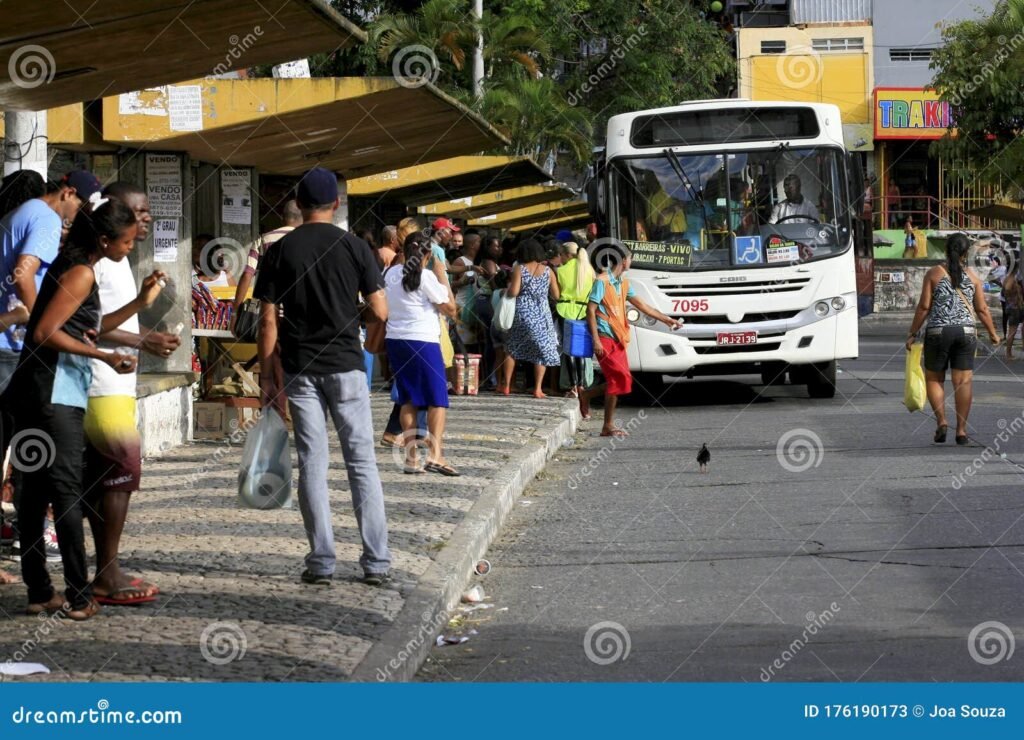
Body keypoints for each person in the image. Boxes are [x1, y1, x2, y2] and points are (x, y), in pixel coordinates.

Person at [7, 199, 155, 620]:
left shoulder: (70, 266)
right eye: (125, 242)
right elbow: (44, 331)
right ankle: (77, 595)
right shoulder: (82, 271)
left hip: (35, 392)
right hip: (55, 395)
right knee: (66, 491)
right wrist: (105, 357)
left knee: (33, 494)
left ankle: (40, 591)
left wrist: (139, 306)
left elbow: (77, 324)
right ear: (104, 240)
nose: (129, 248)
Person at [254, 166, 392, 587]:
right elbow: (381, 311)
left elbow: (266, 322)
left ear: (297, 203)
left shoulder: (279, 249)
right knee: (361, 463)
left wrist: (266, 377)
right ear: (336, 204)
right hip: (347, 366)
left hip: (301, 369)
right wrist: (361, 322)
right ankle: (376, 563)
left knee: (312, 462)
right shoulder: (355, 248)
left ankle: (322, 562)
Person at [84, 182, 180, 605]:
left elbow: (113, 318)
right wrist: (143, 340)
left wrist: (147, 337)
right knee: (121, 477)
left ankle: (107, 567)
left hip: (115, 383)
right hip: (100, 383)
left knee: (103, 481)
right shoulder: (100, 261)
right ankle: (106, 574)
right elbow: (93, 324)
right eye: (138, 211)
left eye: (147, 212)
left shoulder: (118, 258)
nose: (147, 219)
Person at [906, 233, 1001, 445]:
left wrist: (912, 333)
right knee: (963, 381)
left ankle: (941, 421)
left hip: (938, 332)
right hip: (966, 332)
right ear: (966, 253)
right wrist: (993, 334)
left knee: (934, 378)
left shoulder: (933, 274)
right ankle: (961, 430)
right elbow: (982, 309)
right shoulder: (974, 278)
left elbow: (923, 307)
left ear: (946, 250)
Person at [587, 245, 682, 437]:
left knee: (623, 380)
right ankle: (607, 424)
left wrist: (667, 320)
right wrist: (596, 340)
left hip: (619, 337)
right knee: (619, 378)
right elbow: (590, 310)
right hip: (604, 336)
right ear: (623, 260)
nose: (631, 261)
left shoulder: (623, 282)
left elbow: (643, 306)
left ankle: (587, 397)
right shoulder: (601, 281)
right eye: (630, 258)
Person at [385, 233, 459, 476]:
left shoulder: (390, 274)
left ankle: (411, 458)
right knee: (437, 399)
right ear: (428, 255)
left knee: (408, 398)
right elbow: (451, 310)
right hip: (423, 341)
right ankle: (436, 455)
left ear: (404, 250)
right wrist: (442, 276)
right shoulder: (426, 276)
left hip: (396, 341)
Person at [503, 238, 561, 398]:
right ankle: (537, 388)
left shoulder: (519, 269)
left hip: (523, 314)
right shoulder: (548, 271)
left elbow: (513, 292)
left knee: (511, 349)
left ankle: (507, 386)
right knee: (541, 351)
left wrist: (506, 291)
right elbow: (556, 295)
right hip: (542, 315)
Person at [555, 241, 596, 418]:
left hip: (565, 311)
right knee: (581, 351)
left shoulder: (561, 270)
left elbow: (556, 294)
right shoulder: (589, 270)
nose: (560, 259)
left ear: (567, 255)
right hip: (584, 312)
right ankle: (582, 385)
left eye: (561, 255)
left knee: (568, 350)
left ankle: (572, 386)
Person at [452, 232, 481, 348]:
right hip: (463, 307)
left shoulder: (480, 261)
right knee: (464, 344)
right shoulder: (460, 262)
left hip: (475, 308)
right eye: (480, 242)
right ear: (473, 245)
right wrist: (462, 282)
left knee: (475, 344)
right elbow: (450, 284)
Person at [1002, 268, 1023, 360]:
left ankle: (1008, 353)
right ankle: (1008, 354)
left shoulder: (1006, 279)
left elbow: (1003, 293)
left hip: (1011, 307)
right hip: (1016, 308)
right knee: (1013, 332)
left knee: (1013, 332)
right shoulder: (1013, 280)